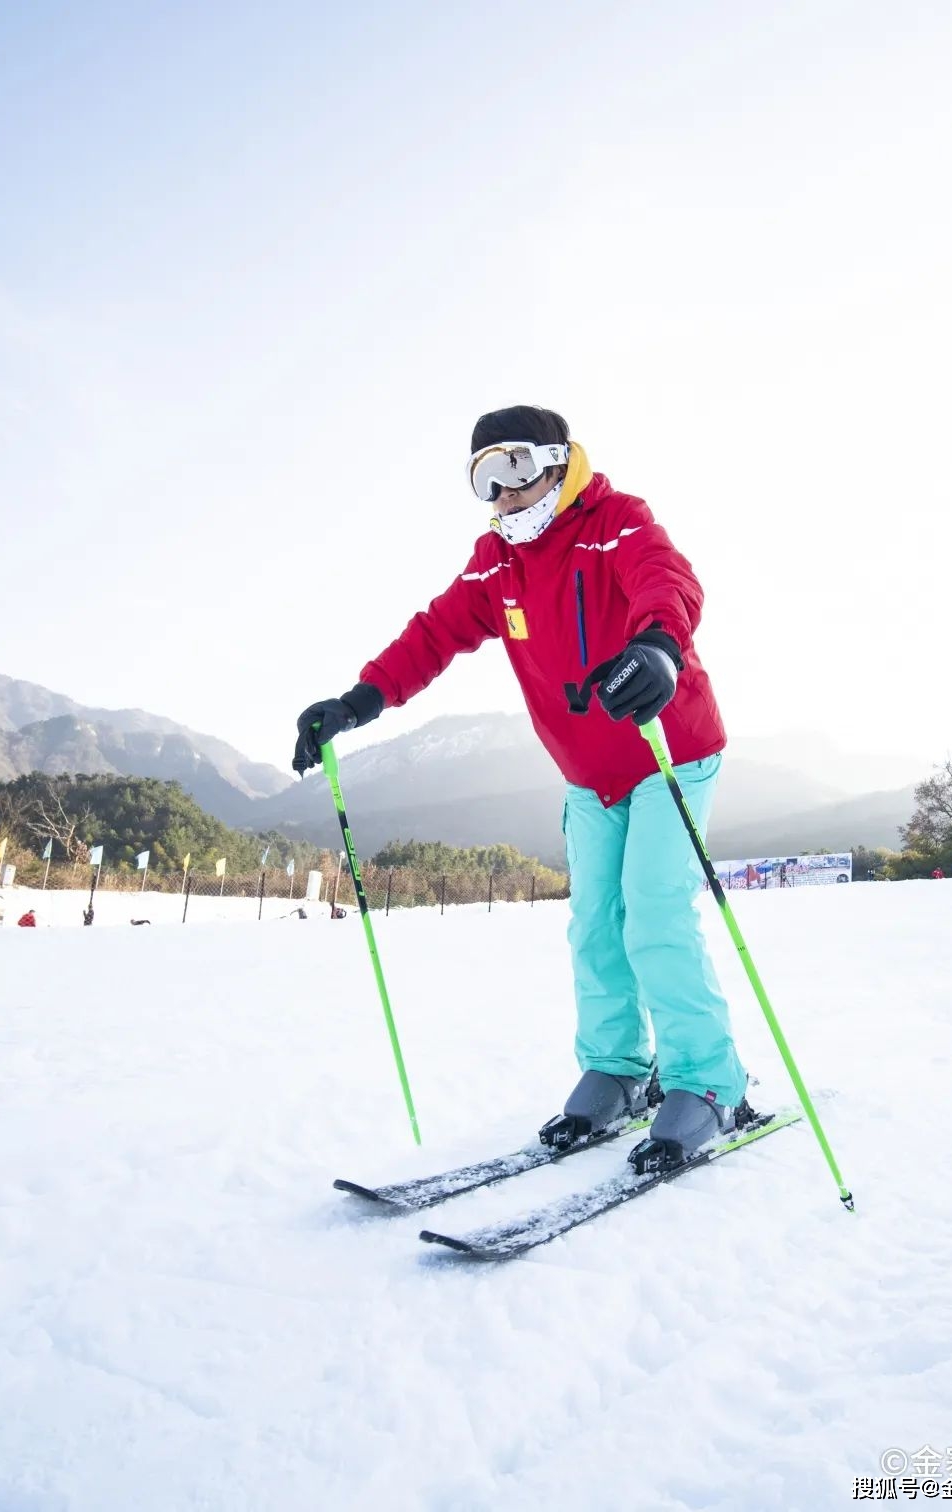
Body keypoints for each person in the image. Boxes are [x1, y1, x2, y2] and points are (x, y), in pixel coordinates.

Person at [293, 405, 747, 1167]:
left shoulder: (614, 519)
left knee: (656, 914)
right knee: (596, 925)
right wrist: (358, 700)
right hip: (589, 777)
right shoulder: (494, 562)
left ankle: (707, 1083)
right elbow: (434, 633)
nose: (503, 494)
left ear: (559, 462)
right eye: (484, 478)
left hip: (669, 746)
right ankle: (618, 1068)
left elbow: (665, 579)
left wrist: (660, 646)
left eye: (515, 469)